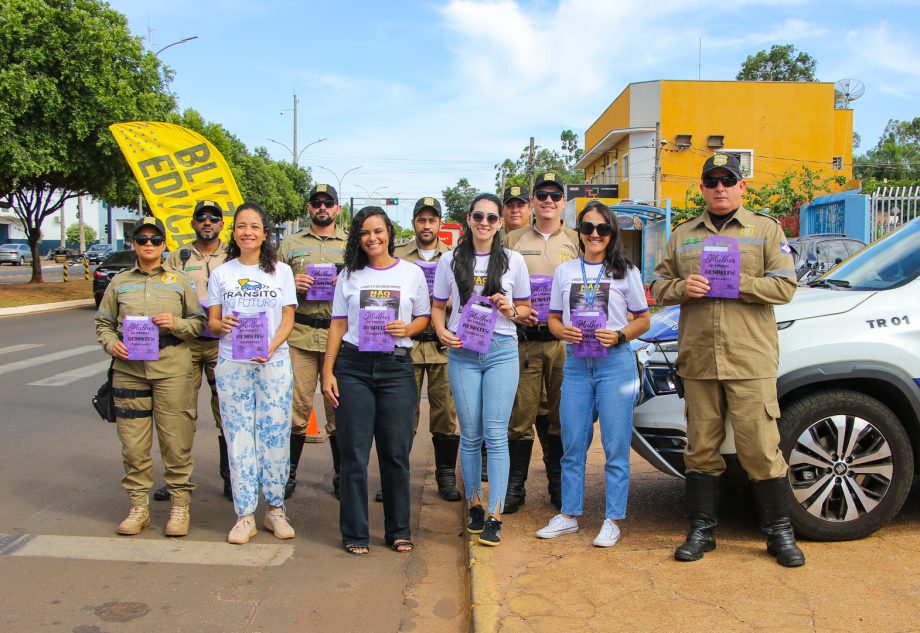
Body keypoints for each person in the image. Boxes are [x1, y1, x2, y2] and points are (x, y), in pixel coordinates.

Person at [650, 153, 804, 567]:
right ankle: (701, 530)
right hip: (699, 359)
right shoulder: (683, 235)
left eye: (728, 181)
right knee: (701, 448)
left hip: (749, 357)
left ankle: (778, 533)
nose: (720, 188)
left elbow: (785, 286)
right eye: (712, 181)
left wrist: (741, 284)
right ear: (701, 188)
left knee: (760, 448)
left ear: (742, 187)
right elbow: (658, 286)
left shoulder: (766, 230)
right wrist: (685, 286)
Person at [535, 201, 650, 547]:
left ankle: (612, 518)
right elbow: (554, 317)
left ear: (611, 232)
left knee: (615, 446)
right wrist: (560, 331)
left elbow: (643, 319)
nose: (595, 234)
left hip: (614, 363)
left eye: (602, 228)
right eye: (588, 228)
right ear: (580, 232)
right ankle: (569, 514)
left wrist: (619, 335)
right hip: (576, 363)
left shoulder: (625, 271)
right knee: (572, 444)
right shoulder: (566, 272)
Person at [322, 206, 431, 555]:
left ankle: (398, 529)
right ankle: (355, 532)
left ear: (389, 234)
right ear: (358, 237)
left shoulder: (412, 273)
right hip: (353, 368)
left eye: (379, 231)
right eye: (365, 232)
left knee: (395, 453)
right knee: (353, 454)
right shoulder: (349, 276)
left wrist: (408, 328)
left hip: (396, 367)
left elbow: (424, 316)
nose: (372, 238)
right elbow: (338, 325)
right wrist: (328, 371)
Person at [432, 193, 532, 546]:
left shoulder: (513, 262)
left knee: (496, 432)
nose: (485, 223)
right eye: (479, 216)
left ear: (500, 223)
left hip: (501, 350)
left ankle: (496, 513)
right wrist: (441, 330)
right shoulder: (451, 260)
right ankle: (475, 503)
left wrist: (510, 309)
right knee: (470, 433)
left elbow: (525, 311)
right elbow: (438, 304)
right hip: (463, 352)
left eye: (492, 218)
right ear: (469, 220)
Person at [95, 220, 205, 537]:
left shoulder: (180, 282)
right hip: (130, 372)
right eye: (142, 239)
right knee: (133, 445)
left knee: (176, 442)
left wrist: (176, 324)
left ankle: (180, 506)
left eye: (155, 239)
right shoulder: (119, 283)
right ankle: (139, 508)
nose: (148, 244)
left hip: (172, 369)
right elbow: (102, 323)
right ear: (133, 244)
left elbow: (198, 325)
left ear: (163, 244)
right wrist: (109, 342)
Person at [208, 202, 297, 545]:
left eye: (255, 226)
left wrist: (271, 347)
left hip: (273, 363)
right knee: (238, 437)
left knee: (274, 434)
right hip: (233, 364)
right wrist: (222, 324)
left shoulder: (281, 272)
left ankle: (275, 509)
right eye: (242, 226)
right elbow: (213, 322)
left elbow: (288, 319)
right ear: (233, 232)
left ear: (265, 233)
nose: (248, 232)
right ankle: (244, 515)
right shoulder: (222, 273)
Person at [503, 172, 580, 512]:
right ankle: (515, 486)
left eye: (555, 195)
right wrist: (514, 310)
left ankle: (558, 484)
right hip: (524, 341)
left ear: (563, 201)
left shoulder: (578, 240)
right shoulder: (512, 239)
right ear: (532, 201)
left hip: (565, 343)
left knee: (560, 415)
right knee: (521, 415)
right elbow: (497, 284)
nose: (548, 200)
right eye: (542, 195)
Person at [152, 200, 230, 503]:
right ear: (193, 223)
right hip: (186, 342)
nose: (207, 222)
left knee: (226, 410)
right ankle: (176, 480)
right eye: (202, 218)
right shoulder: (179, 257)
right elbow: (164, 293)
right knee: (179, 413)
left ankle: (230, 477)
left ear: (223, 224)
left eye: (214, 218)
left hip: (223, 343)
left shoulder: (233, 255)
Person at [278, 184, 346, 499]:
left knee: (338, 408)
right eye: (317, 203)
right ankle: (287, 473)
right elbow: (272, 287)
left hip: (338, 337)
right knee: (296, 407)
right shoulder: (290, 245)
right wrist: (291, 283)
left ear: (337, 208)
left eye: (328, 203)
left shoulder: (351, 244)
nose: (322, 207)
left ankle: (342, 474)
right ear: (308, 208)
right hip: (300, 336)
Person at [394, 197, 461, 502]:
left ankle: (445, 476)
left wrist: (441, 300)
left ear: (440, 224)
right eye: (421, 220)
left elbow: (467, 298)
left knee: (445, 415)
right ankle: (395, 477)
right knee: (402, 415)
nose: (426, 225)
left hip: (442, 346)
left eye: (432, 220)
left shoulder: (456, 257)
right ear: (414, 224)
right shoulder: (397, 256)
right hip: (406, 346)